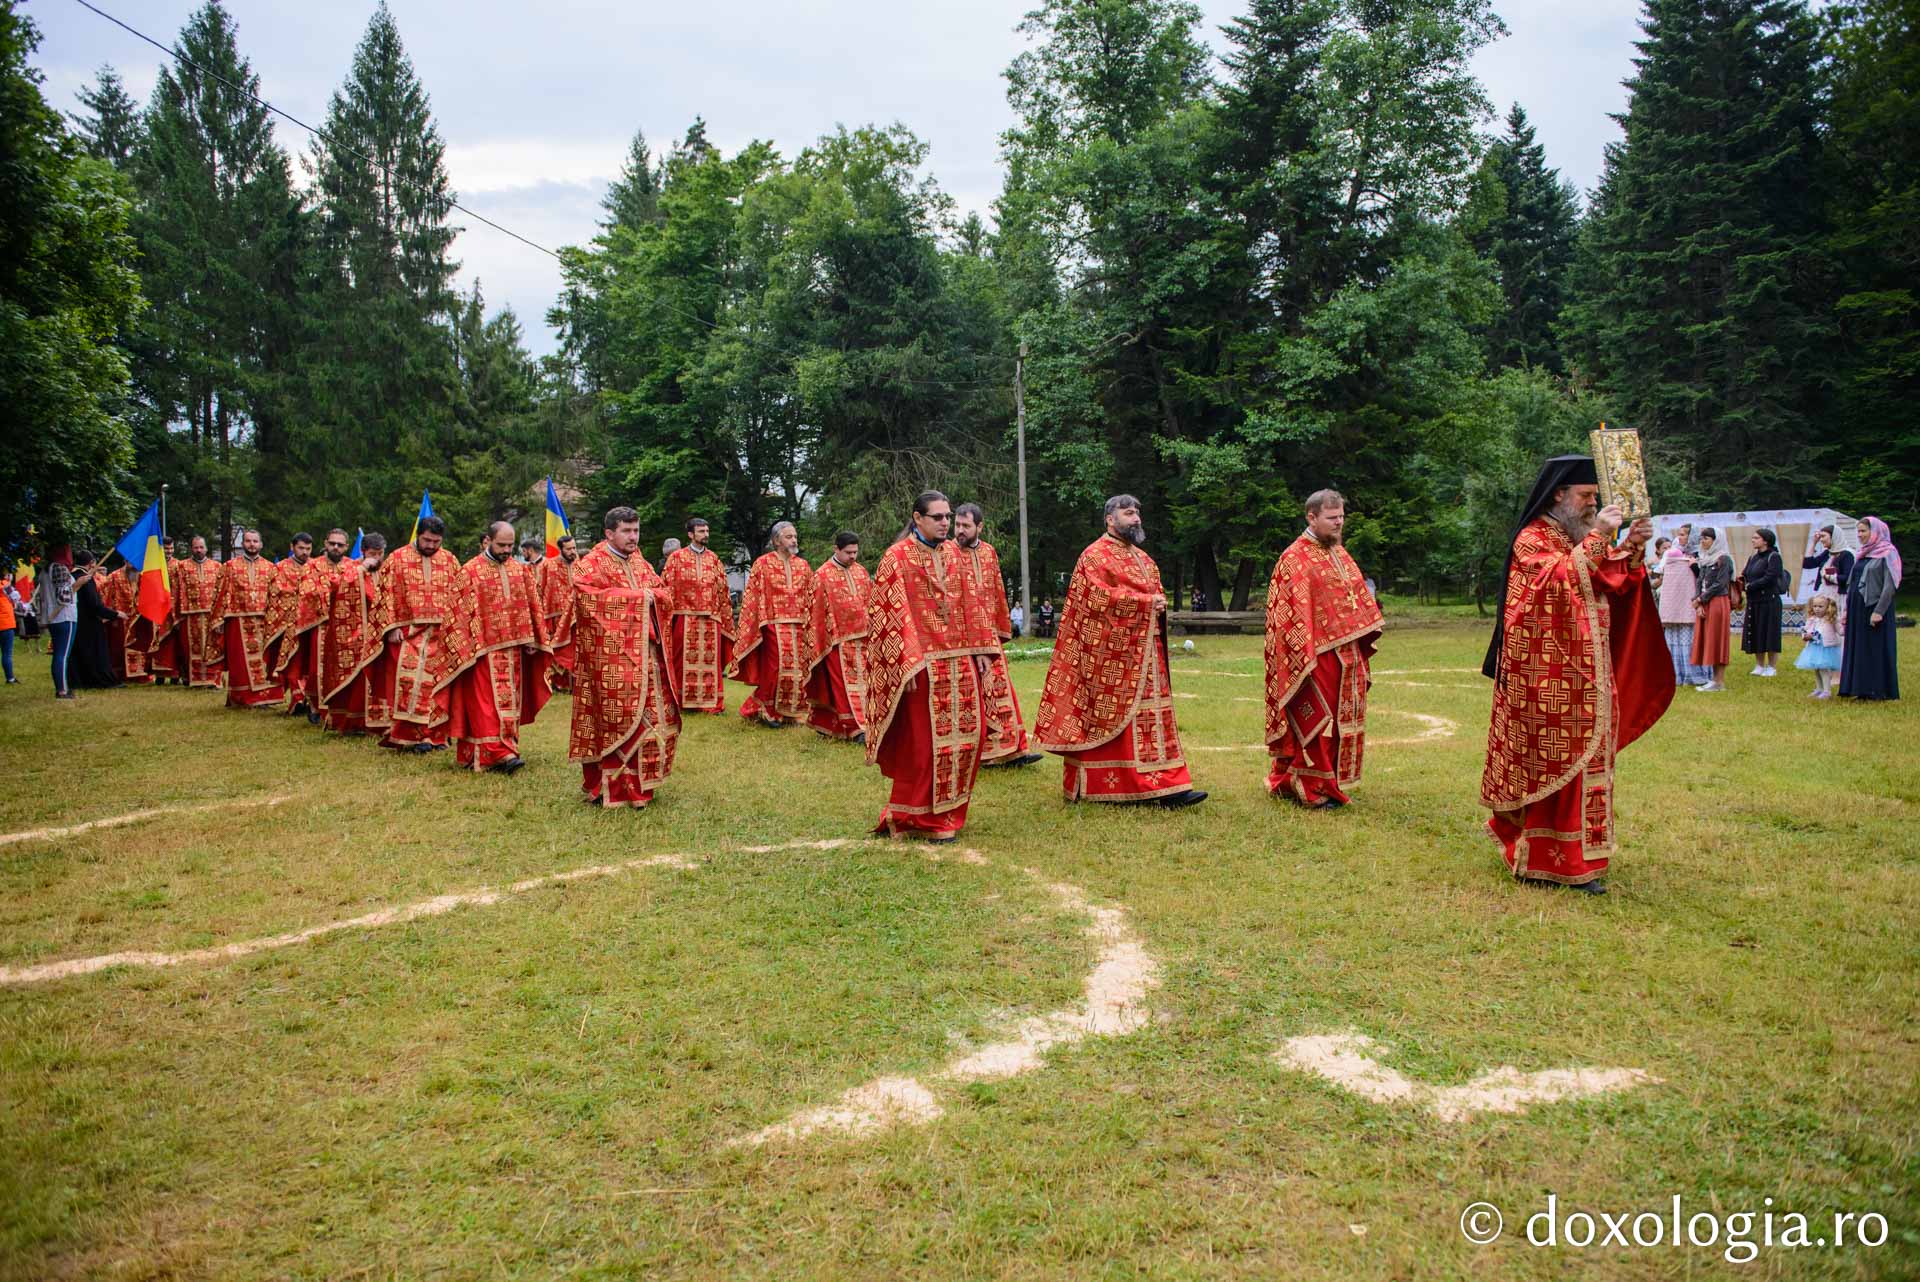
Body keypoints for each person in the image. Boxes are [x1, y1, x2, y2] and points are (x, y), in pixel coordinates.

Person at [1480, 455, 1674, 894]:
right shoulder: (1532, 539)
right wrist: (1603, 535)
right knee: (1556, 764)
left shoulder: (1575, 536)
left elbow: (1608, 579)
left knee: (1590, 764)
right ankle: (1547, 856)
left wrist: (1631, 547)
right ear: (1559, 495)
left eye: (1596, 497)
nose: (1592, 505)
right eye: (1586, 497)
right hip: (1546, 679)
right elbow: (1556, 581)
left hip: (1590, 675)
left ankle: (1583, 858)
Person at [1034, 495, 1205, 808]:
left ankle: (1167, 783)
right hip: (1110, 655)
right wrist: (1144, 605)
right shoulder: (1094, 556)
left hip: (1147, 652)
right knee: (1116, 719)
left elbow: (1154, 597)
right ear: (1110, 519)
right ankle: (1108, 785)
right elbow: (1096, 600)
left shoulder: (1143, 558)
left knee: (1153, 719)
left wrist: (1158, 607)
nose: (1136, 517)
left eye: (1138, 512)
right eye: (1128, 513)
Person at [863, 491, 1001, 841]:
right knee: (923, 744)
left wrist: (984, 647)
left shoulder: (955, 553)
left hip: (960, 660)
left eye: (948, 516)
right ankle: (917, 816)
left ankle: (950, 811)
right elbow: (890, 613)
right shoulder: (896, 557)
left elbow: (971, 599)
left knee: (972, 736)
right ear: (918, 518)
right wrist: (903, 663)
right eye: (937, 517)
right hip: (922, 664)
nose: (945, 523)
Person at [1264, 489, 1385, 808]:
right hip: (1313, 656)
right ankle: (1312, 784)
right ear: (1311, 517)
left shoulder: (1340, 553)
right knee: (1318, 718)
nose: (1338, 523)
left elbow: (1353, 597)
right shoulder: (1294, 557)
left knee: (1339, 718)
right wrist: (1302, 654)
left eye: (1341, 517)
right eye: (1332, 518)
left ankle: (1319, 777)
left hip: (1348, 652)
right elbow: (1285, 612)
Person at [569, 506, 681, 808]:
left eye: (636, 530)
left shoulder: (640, 562)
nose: (634, 537)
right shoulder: (590, 565)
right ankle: (617, 788)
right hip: (611, 662)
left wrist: (652, 599)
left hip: (649, 658)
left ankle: (644, 785)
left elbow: (663, 594)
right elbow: (586, 600)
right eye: (627, 531)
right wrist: (639, 600)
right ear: (609, 533)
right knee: (619, 722)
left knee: (653, 720)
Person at [449, 521, 552, 773]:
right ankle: (498, 753)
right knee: (485, 703)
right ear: (488, 540)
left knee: (510, 702)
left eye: (510, 545)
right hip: (483, 651)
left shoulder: (520, 570)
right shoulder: (470, 571)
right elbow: (458, 613)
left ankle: (504, 749)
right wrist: (466, 648)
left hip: (514, 650)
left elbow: (532, 606)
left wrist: (532, 639)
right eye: (501, 545)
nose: (507, 550)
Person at [368, 515, 477, 752]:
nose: (431, 546)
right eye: (427, 540)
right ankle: (411, 736)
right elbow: (384, 595)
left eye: (436, 541)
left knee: (437, 684)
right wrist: (392, 627)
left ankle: (436, 735)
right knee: (409, 684)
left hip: (440, 632)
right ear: (418, 535)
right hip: (408, 632)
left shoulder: (449, 560)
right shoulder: (397, 558)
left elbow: (461, 595)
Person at [953, 503, 1042, 769]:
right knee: (972, 696)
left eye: (965, 526)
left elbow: (996, 592)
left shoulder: (989, 552)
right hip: (963, 640)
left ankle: (1011, 750)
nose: (959, 531)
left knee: (1001, 692)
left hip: (989, 636)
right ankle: (979, 753)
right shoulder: (947, 554)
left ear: (979, 527)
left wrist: (1000, 629)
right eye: (957, 525)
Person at [728, 520, 815, 727]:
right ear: (776, 541)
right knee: (776, 669)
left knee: (799, 669)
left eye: (795, 536)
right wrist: (758, 624)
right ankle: (768, 710)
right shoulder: (763, 563)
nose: (794, 540)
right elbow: (753, 596)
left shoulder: (802, 565)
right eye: (788, 536)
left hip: (800, 625)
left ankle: (792, 712)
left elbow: (811, 594)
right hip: (773, 623)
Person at [660, 518, 734, 714]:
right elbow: (665, 588)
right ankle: (683, 701)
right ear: (690, 535)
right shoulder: (676, 558)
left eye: (707, 531)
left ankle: (711, 704)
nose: (706, 535)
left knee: (711, 661)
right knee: (681, 660)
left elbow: (723, 592)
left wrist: (725, 619)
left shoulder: (714, 559)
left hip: (710, 618)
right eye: (701, 531)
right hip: (684, 618)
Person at [805, 531, 872, 741]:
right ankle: (855, 728)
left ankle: (866, 723)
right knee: (843, 686)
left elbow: (870, 602)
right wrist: (823, 638)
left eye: (855, 552)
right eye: (848, 552)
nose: (853, 557)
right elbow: (814, 611)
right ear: (836, 549)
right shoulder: (822, 575)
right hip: (836, 641)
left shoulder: (861, 572)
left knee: (866, 683)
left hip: (863, 639)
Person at [318, 533, 387, 734]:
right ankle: (353, 721)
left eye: (380, 554)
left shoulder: (388, 570)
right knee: (356, 678)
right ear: (363, 552)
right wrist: (363, 568)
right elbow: (336, 587)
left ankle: (380, 721)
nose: (376, 558)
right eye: (372, 554)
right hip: (355, 632)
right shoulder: (351, 569)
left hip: (381, 632)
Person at [208, 529, 283, 708]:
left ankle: (262, 698)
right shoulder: (229, 566)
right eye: (248, 541)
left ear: (261, 544)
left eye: (255, 541)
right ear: (243, 544)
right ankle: (241, 697)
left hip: (263, 620)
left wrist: (276, 619)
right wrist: (218, 619)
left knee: (263, 660)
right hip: (237, 619)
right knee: (240, 663)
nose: (252, 544)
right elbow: (220, 593)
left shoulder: (270, 568)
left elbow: (276, 596)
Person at [275, 531, 340, 721]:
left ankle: (336, 708)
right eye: (332, 543)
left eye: (340, 545)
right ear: (326, 543)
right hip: (316, 623)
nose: (336, 547)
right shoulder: (312, 566)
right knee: (314, 668)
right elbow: (309, 594)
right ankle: (314, 705)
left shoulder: (350, 565)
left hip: (343, 625)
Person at [1838, 516, 1901, 701]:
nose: (1860, 535)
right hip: (1858, 609)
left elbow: (1890, 586)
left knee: (1874, 648)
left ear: (1876, 532)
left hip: (1874, 608)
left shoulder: (1888, 553)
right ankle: (1860, 688)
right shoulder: (1863, 553)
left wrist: (1879, 611)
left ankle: (1877, 689)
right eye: (1858, 531)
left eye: (1864, 531)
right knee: (1860, 648)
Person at [159, 536, 221, 689]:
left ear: (206, 548)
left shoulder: (217, 566)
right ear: (191, 549)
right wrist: (176, 615)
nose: (198, 550)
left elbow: (221, 591)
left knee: (212, 647)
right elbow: (176, 591)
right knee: (191, 649)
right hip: (189, 614)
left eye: (201, 547)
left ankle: (213, 680)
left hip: (211, 614)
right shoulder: (181, 567)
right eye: (195, 547)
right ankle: (193, 678)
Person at [1655, 535, 1706, 687]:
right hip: (1674, 607)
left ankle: (1692, 673)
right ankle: (1676, 672)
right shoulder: (1672, 557)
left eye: (1684, 534)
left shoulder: (1700, 558)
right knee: (1674, 640)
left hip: (1689, 605)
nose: (1680, 537)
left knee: (1689, 640)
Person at [96, 559, 154, 685]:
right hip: (120, 619)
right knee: (118, 649)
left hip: (139, 618)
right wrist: (111, 614)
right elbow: (105, 596)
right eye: (129, 560)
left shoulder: (144, 576)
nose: (132, 563)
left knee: (140, 646)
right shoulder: (114, 576)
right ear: (124, 560)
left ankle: (140, 673)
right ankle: (120, 674)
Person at [68, 552, 121, 689]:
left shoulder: (71, 576)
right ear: (91, 563)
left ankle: (78, 681)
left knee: (78, 652)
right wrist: (114, 614)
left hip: (74, 619)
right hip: (89, 622)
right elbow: (95, 605)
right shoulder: (86, 578)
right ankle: (100, 680)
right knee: (95, 652)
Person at [1690, 527, 1734, 692]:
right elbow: (1699, 581)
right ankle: (1714, 679)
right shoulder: (1704, 558)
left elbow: (1721, 583)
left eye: (1706, 538)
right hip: (1705, 602)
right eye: (1701, 538)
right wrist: (1698, 602)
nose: (1703, 541)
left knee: (1717, 640)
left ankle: (1719, 680)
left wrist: (1702, 598)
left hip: (1717, 602)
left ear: (1716, 540)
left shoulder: (1723, 559)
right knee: (1708, 640)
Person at [536, 533, 579, 694]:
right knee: (556, 650)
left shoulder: (579, 564)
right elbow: (540, 588)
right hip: (554, 615)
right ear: (561, 549)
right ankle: (557, 684)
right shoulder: (549, 565)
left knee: (574, 648)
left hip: (575, 616)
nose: (572, 552)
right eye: (569, 549)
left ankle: (575, 683)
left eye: (574, 548)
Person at [1739, 528, 1785, 676]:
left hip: (1769, 600)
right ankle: (1759, 664)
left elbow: (1771, 576)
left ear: (1765, 540)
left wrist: (1752, 586)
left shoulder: (1774, 556)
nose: (1753, 540)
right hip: (1754, 600)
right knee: (1756, 631)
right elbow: (1746, 573)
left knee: (1769, 632)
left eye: (1756, 538)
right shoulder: (1753, 557)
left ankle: (1771, 666)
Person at [32, 554, 78, 698]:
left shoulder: (45, 571)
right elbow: (63, 596)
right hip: (64, 616)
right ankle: (62, 690)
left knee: (59, 654)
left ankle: (61, 687)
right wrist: (78, 584)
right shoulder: (59, 568)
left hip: (53, 617)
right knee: (62, 656)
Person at [1796, 592, 1843, 699]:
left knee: (1823, 669)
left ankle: (1827, 690)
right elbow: (1805, 630)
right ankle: (1819, 688)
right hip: (1814, 648)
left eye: (1820, 606)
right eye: (1815, 606)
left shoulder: (1831, 619)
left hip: (1825, 648)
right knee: (1816, 669)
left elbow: (1840, 630)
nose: (1817, 609)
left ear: (1828, 607)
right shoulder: (1812, 619)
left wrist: (1844, 627)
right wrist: (1805, 636)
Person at [1801, 524, 1853, 600]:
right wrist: (1814, 543)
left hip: (1838, 596)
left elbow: (1847, 578)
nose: (1821, 539)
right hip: (1824, 595)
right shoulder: (1827, 553)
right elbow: (1808, 564)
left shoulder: (1847, 555)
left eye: (1823, 536)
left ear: (1834, 537)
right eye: (1820, 537)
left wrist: (1828, 576)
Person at [0, 571, 17, 684]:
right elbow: (16, 601)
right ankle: (10, 678)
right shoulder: (6, 585)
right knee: (6, 653)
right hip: (6, 624)